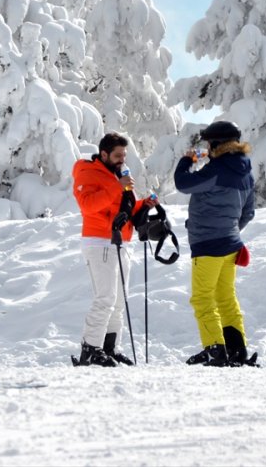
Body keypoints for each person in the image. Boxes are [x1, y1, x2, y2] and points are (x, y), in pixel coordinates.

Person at [174, 120, 256, 367]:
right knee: (226, 298)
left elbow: (182, 183)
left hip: (208, 246)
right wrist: (229, 230)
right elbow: (248, 212)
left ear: (217, 144)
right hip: (230, 245)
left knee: (202, 299)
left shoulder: (216, 170)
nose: (207, 148)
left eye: (209, 144)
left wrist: (187, 160)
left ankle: (215, 350)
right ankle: (236, 350)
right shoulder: (246, 172)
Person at [71, 132, 155, 367]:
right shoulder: (87, 172)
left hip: (120, 242)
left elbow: (122, 209)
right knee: (105, 298)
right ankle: (90, 350)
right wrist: (117, 187)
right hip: (99, 242)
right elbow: (88, 205)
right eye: (118, 155)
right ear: (104, 154)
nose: (122, 160)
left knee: (118, 301)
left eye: (124, 155)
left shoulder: (118, 174)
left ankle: (110, 348)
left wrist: (144, 204)